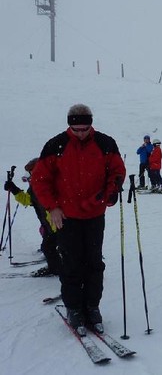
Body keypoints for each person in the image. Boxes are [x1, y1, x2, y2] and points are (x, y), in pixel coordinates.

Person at [31, 104, 125, 336]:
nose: (81, 133)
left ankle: (92, 307)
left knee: (94, 263)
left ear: (91, 124)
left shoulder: (105, 143)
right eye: (76, 129)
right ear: (69, 125)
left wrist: (111, 191)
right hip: (67, 216)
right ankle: (74, 308)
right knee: (71, 264)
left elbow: (117, 171)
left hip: (95, 214)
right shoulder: (56, 145)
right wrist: (52, 207)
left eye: (85, 129)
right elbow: (40, 180)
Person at [3, 158, 62, 277]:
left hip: (58, 224)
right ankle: (57, 265)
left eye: (30, 173)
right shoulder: (35, 188)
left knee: (49, 247)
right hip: (48, 225)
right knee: (48, 247)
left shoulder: (50, 186)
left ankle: (58, 268)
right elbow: (27, 200)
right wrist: (14, 190)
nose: (28, 177)